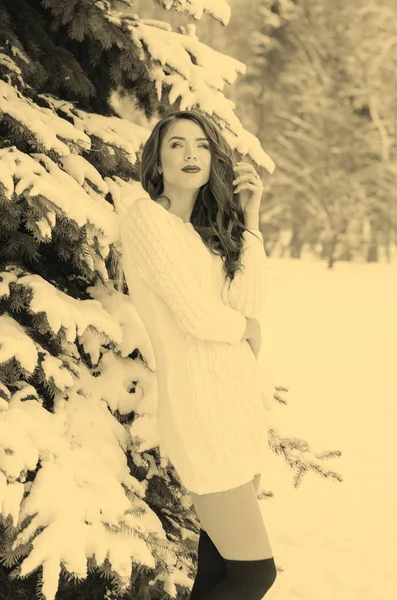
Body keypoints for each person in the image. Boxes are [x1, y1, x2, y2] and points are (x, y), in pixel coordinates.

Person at [120, 109, 277, 599]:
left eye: (202, 146)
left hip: (237, 411)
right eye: (177, 144)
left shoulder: (202, 238)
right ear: (157, 161)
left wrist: (250, 221)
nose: (191, 154)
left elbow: (248, 300)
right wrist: (246, 330)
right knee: (255, 574)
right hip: (203, 416)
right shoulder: (147, 219)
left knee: (216, 573)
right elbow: (197, 316)